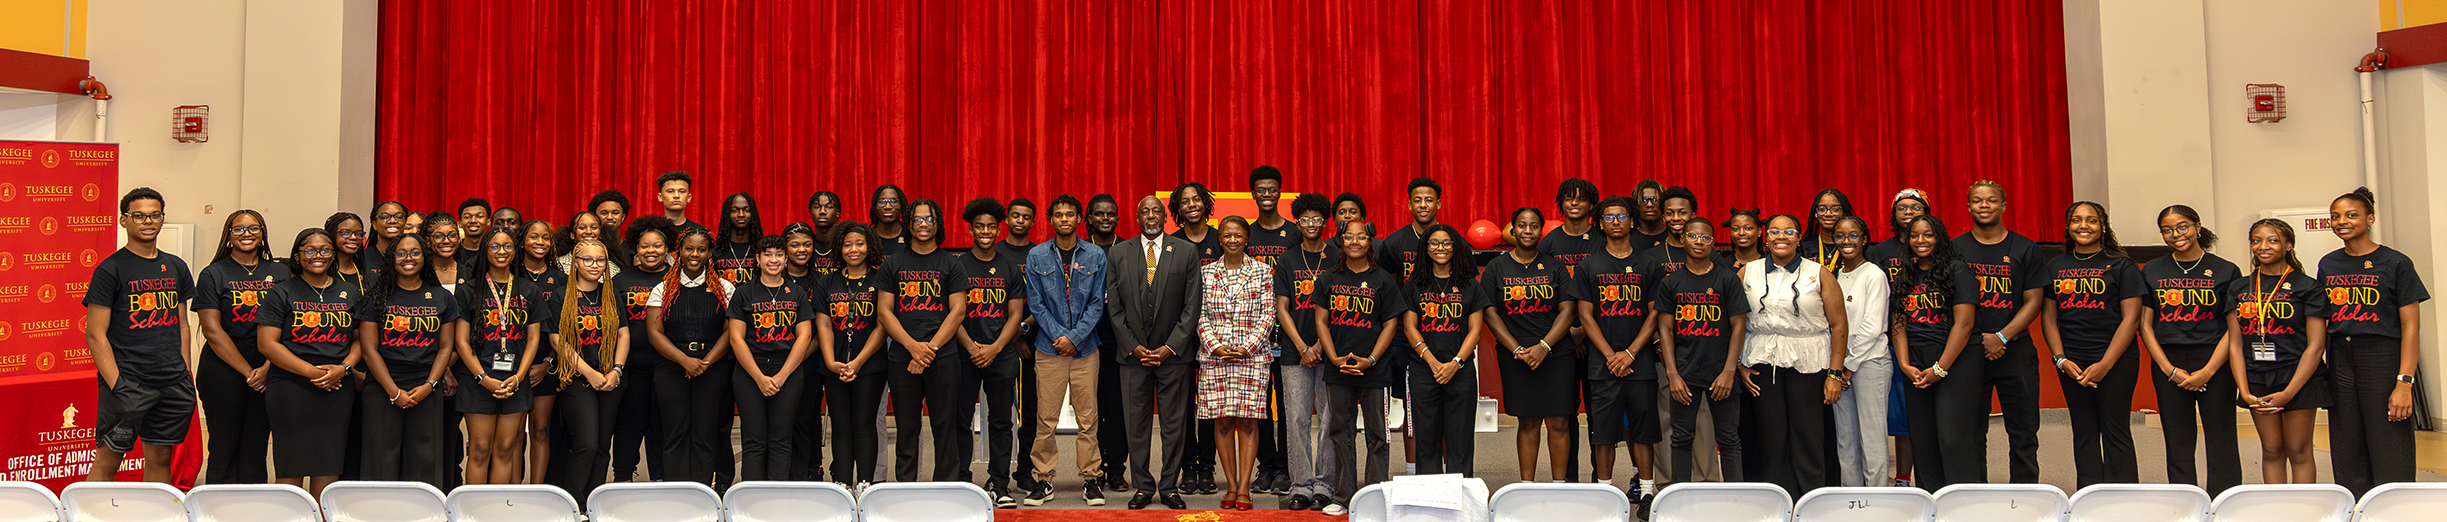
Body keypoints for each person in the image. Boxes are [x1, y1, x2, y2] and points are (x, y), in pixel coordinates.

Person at [84, 188, 197, 484]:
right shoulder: (111, 270)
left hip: (172, 381)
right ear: (124, 220)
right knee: (109, 457)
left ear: (162, 218)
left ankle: (155, 514)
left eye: (154, 215)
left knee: (160, 457)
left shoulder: (176, 266)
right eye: (139, 216)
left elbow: (183, 324)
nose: (148, 221)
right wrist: (118, 385)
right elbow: (96, 335)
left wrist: (184, 371)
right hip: (129, 382)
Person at [2318, 187, 2427, 495]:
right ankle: (2355, 507)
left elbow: (2411, 327)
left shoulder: (2395, 262)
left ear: (2370, 219)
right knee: (2346, 443)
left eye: (2351, 215)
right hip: (2340, 356)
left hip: (2382, 356)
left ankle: (2396, 509)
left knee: (2388, 440)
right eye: (2336, 216)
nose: (2342, 221)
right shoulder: (2328, 264)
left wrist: (2404, 383)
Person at [1737, 214, 1848, 497]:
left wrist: (1834, 374)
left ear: (1799, 238)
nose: (1781, 237)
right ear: (1766, 237)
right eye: (1774, 231)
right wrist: (1739, 363)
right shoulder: (1747, 272)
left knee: (1808, 437)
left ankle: (1812, 501)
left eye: (1788, 231)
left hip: (1809, 364)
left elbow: (1839, 325)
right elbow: (1734, 323)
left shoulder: (1819, 273)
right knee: (1771, 439)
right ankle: (1778, 502)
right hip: (1762, 361)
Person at [2038, 201, 2147, 488]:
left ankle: (2124, 499)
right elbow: (2049, 318)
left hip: (2117, 361)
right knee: (2083, 432)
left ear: (2103, 227)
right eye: (2076, 220)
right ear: (2068, 226)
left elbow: (2131, 319)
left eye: (2091, 220)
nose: (2083, 226)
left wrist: (2105, 364)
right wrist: (2060, 359)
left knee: (2116, 430)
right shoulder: (2055, 266)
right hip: (2072, 361)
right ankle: (2088, 498)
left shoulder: (2121, 265)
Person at [2138, 205, 2240, 495]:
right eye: (2167, 230)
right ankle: (2185, 500)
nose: (2176, 235)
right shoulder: (2153, 270)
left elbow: (2233, 327)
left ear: (2197, 226)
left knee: (2221, 437)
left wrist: (2208, 370)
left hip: (2215, 361)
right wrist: (2168, 369)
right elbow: (2145, 325)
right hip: (2168, 360)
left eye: (2182, 226)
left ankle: (2225, 502)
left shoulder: (2225, 269)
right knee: (2178, 439)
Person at [1109, 195, 1200, 511]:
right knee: (1136, 424)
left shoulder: (1186, 252)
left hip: (1173, 356)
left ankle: (1169, 486)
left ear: (1165, 217)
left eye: (1156, 211)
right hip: (1132, 357)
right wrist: (1133, 346)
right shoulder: (1119, 253)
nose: (1151, 215)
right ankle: (1143, 486)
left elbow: (1192, 305)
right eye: (1145, 211)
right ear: (1136, 218)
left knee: (1175, 423)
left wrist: (1168, 347)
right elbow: (1114, 306)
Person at [256, 228, 363, 495]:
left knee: (329, 462)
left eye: (325, 249)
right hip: (291, 385)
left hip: (338, 385)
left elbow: (361, 340)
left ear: (333, 254)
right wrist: (312, 372)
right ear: (298, 255)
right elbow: (267, 344)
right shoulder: (281, 292)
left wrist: (343, 368)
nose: (318, 255)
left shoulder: (350, 293)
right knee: (291, 464)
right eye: (310, 250)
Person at [1954, 181, 2046, 484]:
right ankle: (1975, 493)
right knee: (1971, 431)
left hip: (2015, 351)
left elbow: (2034, 301)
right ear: (1968, 207)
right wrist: (1981, 340)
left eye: (1991, 200)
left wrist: (2002, 336)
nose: (1984, 205)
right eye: (1977, 201)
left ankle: (2025, 495)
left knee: (2023, 432)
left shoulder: (2025, 248)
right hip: (1969, 352)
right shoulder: (1955, 248)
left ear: (2003, 206)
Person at [1570, 197, 1661, 500]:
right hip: (1603, 365)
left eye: (1622, 216)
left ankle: (1646, 493)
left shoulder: (1649, 264)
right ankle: (1604, 494)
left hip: (1641, 362)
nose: (1616, 222)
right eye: (1609, 217)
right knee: (1604, 434)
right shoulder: (1588, 266)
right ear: (1600, 223)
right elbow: (1585, 315)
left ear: (1633, 221)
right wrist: (1611, 356)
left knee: (1643, 432)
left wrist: (1631, 352)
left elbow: (1654, 313)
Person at [1023, 195, 1110, 506]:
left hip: (1086, 350)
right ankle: (1043, 479)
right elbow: (1036, 303)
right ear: (1051, 219)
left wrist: (1075, 337)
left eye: (1069, 214)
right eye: (1058, 214)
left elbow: (1098, 302)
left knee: (1089, 418)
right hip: (1049, 349)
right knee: (1046, 419)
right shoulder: (1036, 256)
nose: (1064, 219)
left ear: (1078, 218)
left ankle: (1091, 478)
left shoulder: (1096, 254)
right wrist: (1061, 337)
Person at [2226, 218, 2327, 485]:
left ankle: (2303, 512)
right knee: (2271, 450)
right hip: (2257, 376)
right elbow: (2235, 344)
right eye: (2256, 240)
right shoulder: (2240, 287)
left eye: (2272, 240)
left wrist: (2288, 392)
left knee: (2298, 450)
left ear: (2289, 245)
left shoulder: (2308, 286)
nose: (2263, 246)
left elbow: (2315, 347)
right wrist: (2244, 391)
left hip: (2298, 377)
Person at [880, 199, 975, 481]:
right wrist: (912, 347)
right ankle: (905, 488)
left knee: (945, 425)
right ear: (908, 223)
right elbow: (884, 312)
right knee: (907, 428)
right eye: (918, 219)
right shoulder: (893, 263)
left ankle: (945, 487)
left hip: (943, 357)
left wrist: (929, 350)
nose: (924, 224)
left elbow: (958, 311)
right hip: (902, 357)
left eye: (929, 219)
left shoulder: (951, 263)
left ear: (938, 224)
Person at [1484, 208, 1579, 486]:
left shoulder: (1555, 266)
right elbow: (1490, 313)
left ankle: (1559, 486)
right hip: (1516, 356)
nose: (1528, 231)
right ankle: (1527, 486)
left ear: (1541, 231)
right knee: (1527, 422)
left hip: (1556, 354)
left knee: (1559, 422)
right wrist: (1517, 349)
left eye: (1534, 226)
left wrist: (1544, 346)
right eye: (1522, 225)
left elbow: (1568, 311)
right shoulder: (1497, 267)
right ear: (1512, 230)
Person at [355, 232, 459, 486]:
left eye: (415, 253)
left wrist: (429, 385)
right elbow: (369, 350)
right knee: (381, 458)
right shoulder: (375, 297)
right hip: (382, 384)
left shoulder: (441, 297)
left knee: (425, 459)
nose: (408, 258)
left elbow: (445, 347)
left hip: (426, 383)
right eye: (401, 253)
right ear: (391, 259)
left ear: (425, 258)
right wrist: (393, 391)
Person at [1315, 220, 1403, 516]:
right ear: (1341, 241)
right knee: (1340, 431)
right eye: (1348, 236)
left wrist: (1372, 360)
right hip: (1337, 368)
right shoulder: (1328, 278)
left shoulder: (1383, 280)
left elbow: (1391, 323)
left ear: (1370, 242)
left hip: (1374, 369)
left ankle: (1376, 494)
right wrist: (1333, 357)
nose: (1354, 241)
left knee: (1378, 433)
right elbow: (1321, 322)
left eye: (1361, 236)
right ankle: (1343, 496)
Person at [1889, 215, 1981, 491]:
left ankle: (1964, 503)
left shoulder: (1958, 270)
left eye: (1927, 235)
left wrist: (1940, 368)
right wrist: (1904, 363)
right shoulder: (1905, 273)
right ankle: (1932, 500)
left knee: (1953, 438)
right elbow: (1898, 322)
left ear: (1939, 237)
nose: (1920, 241)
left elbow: (1964, 324)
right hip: (1916, 361)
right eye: (1914, 235)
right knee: (1923, 439)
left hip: (1955, 360)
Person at [194, 209, 284, 485]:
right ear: (228, 236)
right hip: (224, 367)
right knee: (223, 445)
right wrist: (249, 372)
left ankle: (253, 509)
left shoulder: (280, 272)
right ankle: (216, 509)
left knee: (256, 445)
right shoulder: (214, 273)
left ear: (263, 233)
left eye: (253, 229)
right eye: (239, 230)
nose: (247, 234)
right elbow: (212, 330)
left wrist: (268, 366)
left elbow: (291, 322)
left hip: (270, 364)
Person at [1658, 218, 1749, 483]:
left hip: (1721, 372)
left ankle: (1736, 500)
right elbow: (1665, 329)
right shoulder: (1671, 282)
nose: (1699, 242)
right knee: (1682, 438)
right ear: (1683, 239)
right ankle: (1679, 499)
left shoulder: (1727, 280)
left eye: (1706, 237)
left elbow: (1739, 325)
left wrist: (1729, 372)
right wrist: (1672, 374)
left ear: (1714, 243)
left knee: (1729, 439)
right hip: (1684, 374)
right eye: (1694, 236)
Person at [645, 226, 736, 486]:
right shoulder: (662, 289)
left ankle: (702, 491)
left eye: (701, 249)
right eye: (689, 248)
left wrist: (704, 363)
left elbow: (731, 332)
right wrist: (685, 361)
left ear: (709, 254)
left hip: (713, 367)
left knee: (705, 432)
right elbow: (654, 333)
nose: (694, 254)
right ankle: (677, 492)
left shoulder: (724, 288)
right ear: (679, 253)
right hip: (671, 368)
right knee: (675, 431)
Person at [1198, 217, 1277, 511]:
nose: (1232, 239)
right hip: (1215, 358)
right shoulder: (1205, 273)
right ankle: (1230, 485)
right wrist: (1216, 347)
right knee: (1221, 422)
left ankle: (1245, 488)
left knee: (1246, 420)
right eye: (1227, 235)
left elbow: (1269, 314)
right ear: (1220, 239)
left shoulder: (1263, 271)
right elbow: (1198, 314)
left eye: (1238, 235)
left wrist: (1246, 347)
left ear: (1247, 238)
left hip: (1252, 358)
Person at [955, 198, 1030, 507]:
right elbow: (952, 313)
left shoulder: (1009, 268)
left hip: (1001, 355)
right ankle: (960, 479)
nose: (985, 231)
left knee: (1002, 421)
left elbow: (1015, 315)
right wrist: (972, 347)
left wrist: (996, 347)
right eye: (979, 226)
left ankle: (999, 482)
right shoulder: (957, 264)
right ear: (971, 229)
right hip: (963, 354)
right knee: (958, 419)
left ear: (998, 229)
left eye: (990, 226)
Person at [728, 235, 821, 482]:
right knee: (754, 439)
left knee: (781, 438)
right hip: (750, 371)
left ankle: (777, 498)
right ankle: (751, 499)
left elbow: (804, 336)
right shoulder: (743, 293)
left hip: (788, 371)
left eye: (779, 254)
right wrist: (759, 377)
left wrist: (782, 376)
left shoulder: (798, 293)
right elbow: (736, 339)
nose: (774, 260)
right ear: (757, 259)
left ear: (785, 258)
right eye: (767, 254)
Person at [459, 227, 543, 486]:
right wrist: (483, 377)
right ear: (485, 250)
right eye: (494, 246)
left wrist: (519, 377)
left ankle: (496, 512)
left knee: (506, 450)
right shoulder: (469, 290)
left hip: (514, 382)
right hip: (478, 380)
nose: (501, 252)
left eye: (507, 246)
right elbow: (461, 342)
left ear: (515, 251)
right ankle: (473, 513)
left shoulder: (528, 289)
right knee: (480, 450)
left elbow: (533, 339)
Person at [1401, 223, 1486, 477]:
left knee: (1460, 440)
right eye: (1434, 243)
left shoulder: (1470, 285)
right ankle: (1430, 501)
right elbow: (1409, 327)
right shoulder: (1414, 285)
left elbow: (1476, 331)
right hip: (1423, 371)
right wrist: (1433, 363)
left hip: (1460, 372)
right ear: (1425, 249)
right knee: (1426, 440)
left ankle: (1462, 498)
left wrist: (1455, 363)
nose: (1441, 248)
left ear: (1456, 247)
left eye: (1447, 243)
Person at [1272, 193, 1339, 511]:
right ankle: (1300, 484)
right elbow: (1281, 308)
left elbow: (1340, 306)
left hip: (1331, 351)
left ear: (1325, 222)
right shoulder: (1288, 259)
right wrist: (1302, 346)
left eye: (1317, 219)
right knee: (1296, 418)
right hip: (1294, 353)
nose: (1311, 224)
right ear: (1297, 222)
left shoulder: (1338, 256)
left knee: (1328, 419)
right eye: (1304, 219)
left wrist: (1319, 347)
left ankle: (1326, 483)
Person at [548, 239, 630, 495]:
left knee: (603, 445)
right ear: (575, 263)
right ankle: (573, 500)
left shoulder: (611, 292)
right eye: (588, 260)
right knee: (586, 443)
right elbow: (556, 339)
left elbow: (624, 334)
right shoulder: (561, 295)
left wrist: (616, 370)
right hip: (576, 379)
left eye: (600, 260)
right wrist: (590, 373)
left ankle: (592, 502)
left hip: (610, 378)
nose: (594, 265)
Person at [1242, 167, 1299, 497]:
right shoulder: (1247, 234)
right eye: (1261, 189)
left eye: (1272, 189)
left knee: (1289, 404)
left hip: (1289, 333)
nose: (1267, 194)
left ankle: (1288, 468)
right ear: (1253, 193)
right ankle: (1267, 466)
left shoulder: (1292, 233)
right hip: (1257, 334)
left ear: (1280, 192)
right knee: (1259, 404)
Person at [1866, 188, 1929, 487]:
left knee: (1910, 418)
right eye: (1902, 208)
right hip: (1883, 340)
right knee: (1879, 413)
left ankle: (1904, 478)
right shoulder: (1879, 252)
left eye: (1915, 206)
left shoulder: (1935, 249)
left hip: (1923, 337)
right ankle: (1877, 476)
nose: (1908, 212)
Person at [817, 222, 887, 488]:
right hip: (833, 365)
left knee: (865, 424)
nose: (853, 249)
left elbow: (882, 324)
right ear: (839, 248)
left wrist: (857, 361)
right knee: (841, 426)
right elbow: (823, 323)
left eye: (859, 243)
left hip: (869, 365)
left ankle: (866, 484)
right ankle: (844, 483)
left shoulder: (880, 279)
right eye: (847, 244)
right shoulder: (828, 281)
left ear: (869, 246)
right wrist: (830, 361)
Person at [1827, 216, 1893, 487]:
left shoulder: (1874, 275)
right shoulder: (1834, 276)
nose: (1847, 242)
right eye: (1840, 236)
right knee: (1846, 438)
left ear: (1864, 239)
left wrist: (1847, 365)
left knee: (1872, 439)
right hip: (1840, 368)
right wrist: (1837, 367)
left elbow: (1872, 326)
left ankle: (1876, 503)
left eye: (1853, 235)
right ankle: (1850, 499)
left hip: (1869, 365)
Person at [610, 216, 676, 483]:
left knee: (662, 426)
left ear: (667, 248)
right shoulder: (620, 280)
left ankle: (661, 480)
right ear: (635, 248)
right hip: (631, 367)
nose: (651, 251)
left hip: (666, 366)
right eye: (645, 245)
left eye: (658, 245)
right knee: (628, 426)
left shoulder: (676, 279)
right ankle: (623, 477)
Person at [1168, 183, 1223, 495]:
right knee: (1185, 405)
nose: (1191, 205)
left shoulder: (1220, 238)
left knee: (1211, 407)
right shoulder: (1172, 243)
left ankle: (1207, 466)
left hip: (1217, 335)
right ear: (1178, 208)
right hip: (1183, 337)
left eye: (1196, 199)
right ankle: (1188, 466)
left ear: (1205, 203)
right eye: (1184, 201)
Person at [1086, 193, 1134, 493]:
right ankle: (1095, 468)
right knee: (1091, 409)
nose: (1105, 219)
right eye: (1099, 214)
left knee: (1118, 409)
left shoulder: (1129, 249)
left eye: (1111, 214)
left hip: (1120, 342)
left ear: (1117, 218)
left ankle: (1117, 469)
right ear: (1089, 219)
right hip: (1087, 340)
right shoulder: (1079, 249)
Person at [515, 219, 567, 485]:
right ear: (522, 240)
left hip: (548, 364)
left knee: (541, 430)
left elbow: (568, 329)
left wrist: (548, 362)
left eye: (545, 238)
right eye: (534, 237)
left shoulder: (561, 280)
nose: (540, 242)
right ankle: (512, 492)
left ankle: (537, 490)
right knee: (513, 434)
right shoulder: (510, 274)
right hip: (511, 364)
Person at [780, 222, 830, 482]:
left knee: (808, 417)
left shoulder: (821, 281)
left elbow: (823, 327)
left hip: (810, 359)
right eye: (795, 245)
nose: (802, 250)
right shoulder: (773, 277)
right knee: (782, 419)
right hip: (776, 360)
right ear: (784, 249)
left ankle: (811, 471)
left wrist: (799, 357)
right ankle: (784, 472)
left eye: (807, 244)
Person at [714, 194, 765, 284]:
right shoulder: (716, 250)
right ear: (727, 214)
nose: (741, 214)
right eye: (734, 210)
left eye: (746, 210)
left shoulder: (762, 249)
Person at [557, 211, 620, 280]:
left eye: (594, 227)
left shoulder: (612, 270)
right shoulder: (559, 265)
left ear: (600, 234)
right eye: (582, 228)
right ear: (572, 235)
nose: (588, 232)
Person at [1800, 189, 1855, 266]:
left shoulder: (1855, 246)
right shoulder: (1805, 248)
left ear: (1844, 213)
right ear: (1816, 214)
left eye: (1835, 209)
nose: (1828, 214)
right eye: (1822, 209)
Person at [590, 190, 634, 270]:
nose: (610, 217)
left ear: (623, 217)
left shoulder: (632, 250)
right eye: (604, 213)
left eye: (615, 213)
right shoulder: (587, 247)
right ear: (595, 217)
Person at [654, 171, 708, 236]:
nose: (676, 196)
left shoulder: (701, 233)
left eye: (681, 191)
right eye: (670, 191)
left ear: (689, 197)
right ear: (660, 197)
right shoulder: (651, 231)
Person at [327, 213, 371, 291]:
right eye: (345, 233)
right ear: (331, 234)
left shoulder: (369, 275)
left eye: (358, 234)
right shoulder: (324, 274)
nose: (353, 237)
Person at [870, 185, 912, 256]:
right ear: (874, 206)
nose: (887, 207)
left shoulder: (912, 235)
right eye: (881, 202)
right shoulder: (866, 236)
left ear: (901, 206)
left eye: (894, 201)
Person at [1629, 179, 1668, 250]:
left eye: (1655, 200)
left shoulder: (1673, 236)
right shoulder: (1626, 237)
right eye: (1644, 200)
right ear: (1635, 204)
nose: (1649, 204)